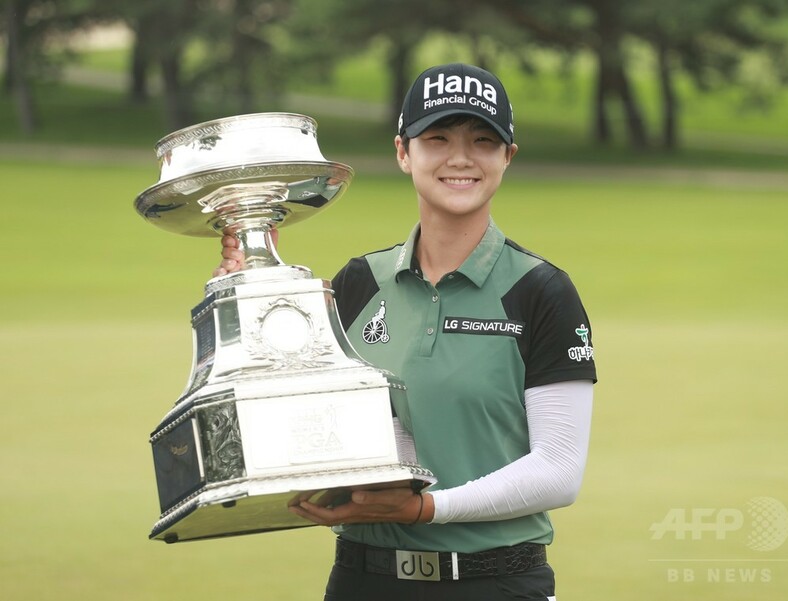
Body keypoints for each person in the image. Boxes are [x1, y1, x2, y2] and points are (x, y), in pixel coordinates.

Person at [214, 63, 596, 601]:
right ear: (402, 152)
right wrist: (249, 295)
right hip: (363, 581)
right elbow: (308, 417)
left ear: (506, 158)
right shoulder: (358, 282)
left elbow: (558, 472)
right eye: (437, 137)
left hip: (497, 583)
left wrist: (426, 508)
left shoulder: (541, 291)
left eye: (483, 141)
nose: (461, 158)